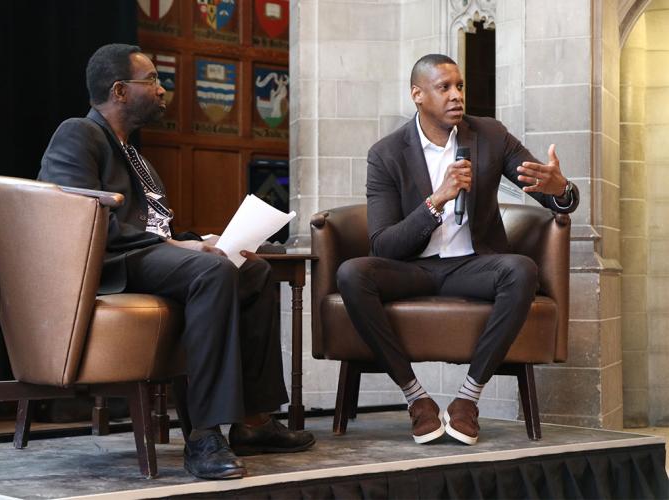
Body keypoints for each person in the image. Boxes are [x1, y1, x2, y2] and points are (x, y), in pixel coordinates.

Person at [38, 43, 314, 480]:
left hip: (146, 254)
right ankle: (203, 435)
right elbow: (73, 217)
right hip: (112, 264)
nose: (162, 89)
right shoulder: (79, 133)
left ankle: (253, 421)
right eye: (152, 80)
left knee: (254, 269)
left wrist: (197, 239)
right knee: (213, 270)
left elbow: (156, 229)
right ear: (120, 90)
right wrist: (183, 251)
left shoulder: (138, 157)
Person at [336, 54, 579, 446]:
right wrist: (436, 201)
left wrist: (561, 191)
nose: (456, 96)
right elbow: (383, 244)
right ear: (417, 94)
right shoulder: (386, 153)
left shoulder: (490, 135)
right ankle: (417, 399)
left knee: (521, 270)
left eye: (460, 86)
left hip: (473, 264)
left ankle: (468, 400)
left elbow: (552, 195)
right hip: (412, 269)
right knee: (352, 273)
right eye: (444, 88)